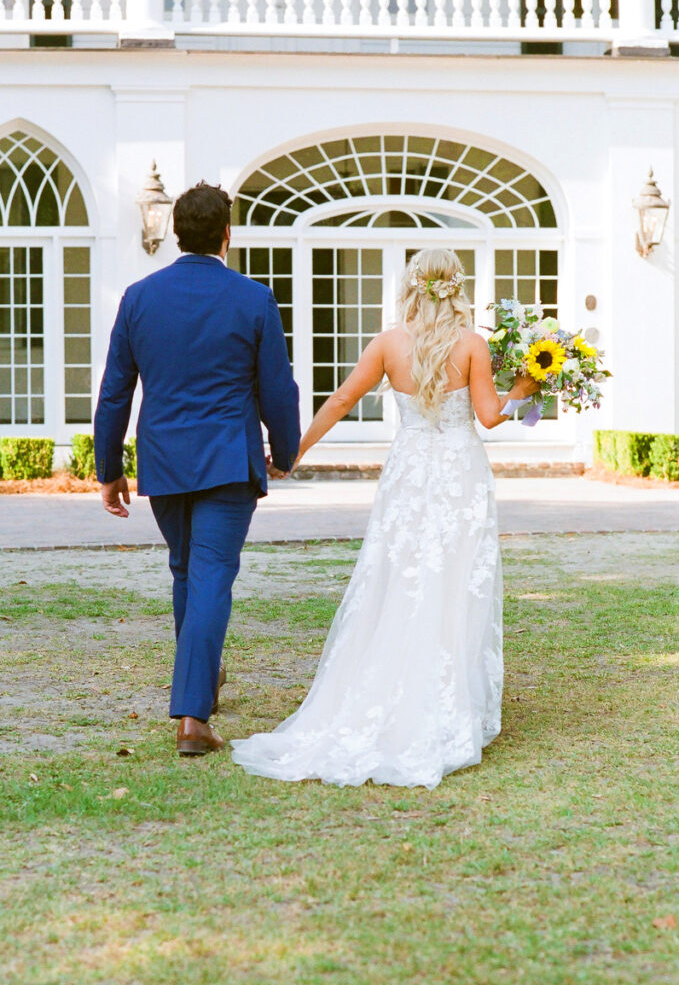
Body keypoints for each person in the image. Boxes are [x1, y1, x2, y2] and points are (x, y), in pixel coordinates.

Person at [231, 248, 537, 789]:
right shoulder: (472, 345)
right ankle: (443, 697)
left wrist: (293, 450)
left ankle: (389, 688)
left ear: (410, 284)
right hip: (459, 472)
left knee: (398, 577)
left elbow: (343, 398)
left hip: (410, 471)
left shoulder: (389, 343)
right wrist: (524, 389)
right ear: (456, 287)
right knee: (455, 579)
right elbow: (489, 417)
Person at [94, 182, 300, 757]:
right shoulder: (253, 298)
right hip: (228, 462)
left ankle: (201, 681)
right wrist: (284, 453)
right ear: (227, 236)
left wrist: (108, 468)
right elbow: (277, 390)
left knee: (188, 571)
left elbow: (115, 392)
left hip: (163, 460)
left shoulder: (138, 297)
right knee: (208, 573)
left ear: (178, 233)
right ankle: (191, 716)